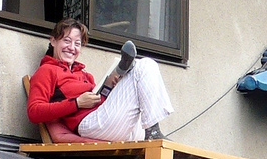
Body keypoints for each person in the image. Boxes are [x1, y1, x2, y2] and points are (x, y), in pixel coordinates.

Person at [27, 18, 173, 142]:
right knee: (145, 64)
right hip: (88, 124)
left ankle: (152, 130)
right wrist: (77, 103)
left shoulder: (85, 75)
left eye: (77, 44)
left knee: (139, 74)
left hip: (109, 123)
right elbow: (34, 112)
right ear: (53, 41)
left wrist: (111, 89)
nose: (72, 48)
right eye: (67, 41)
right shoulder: (47, 70)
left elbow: (98, 103)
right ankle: (153, 131)